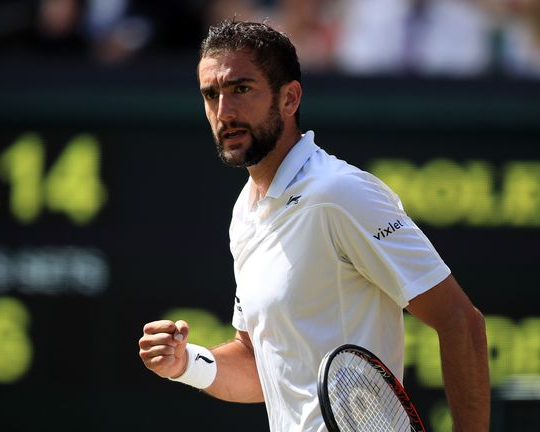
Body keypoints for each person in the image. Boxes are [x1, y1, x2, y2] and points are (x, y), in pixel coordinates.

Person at [138, 19, 490, 431]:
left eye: (241, 89)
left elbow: (461, 322)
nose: (224, 112)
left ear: (290, 99)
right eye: (211, 95)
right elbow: (259, 363)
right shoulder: (244, 212)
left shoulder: (340, 193)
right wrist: (186, 364)